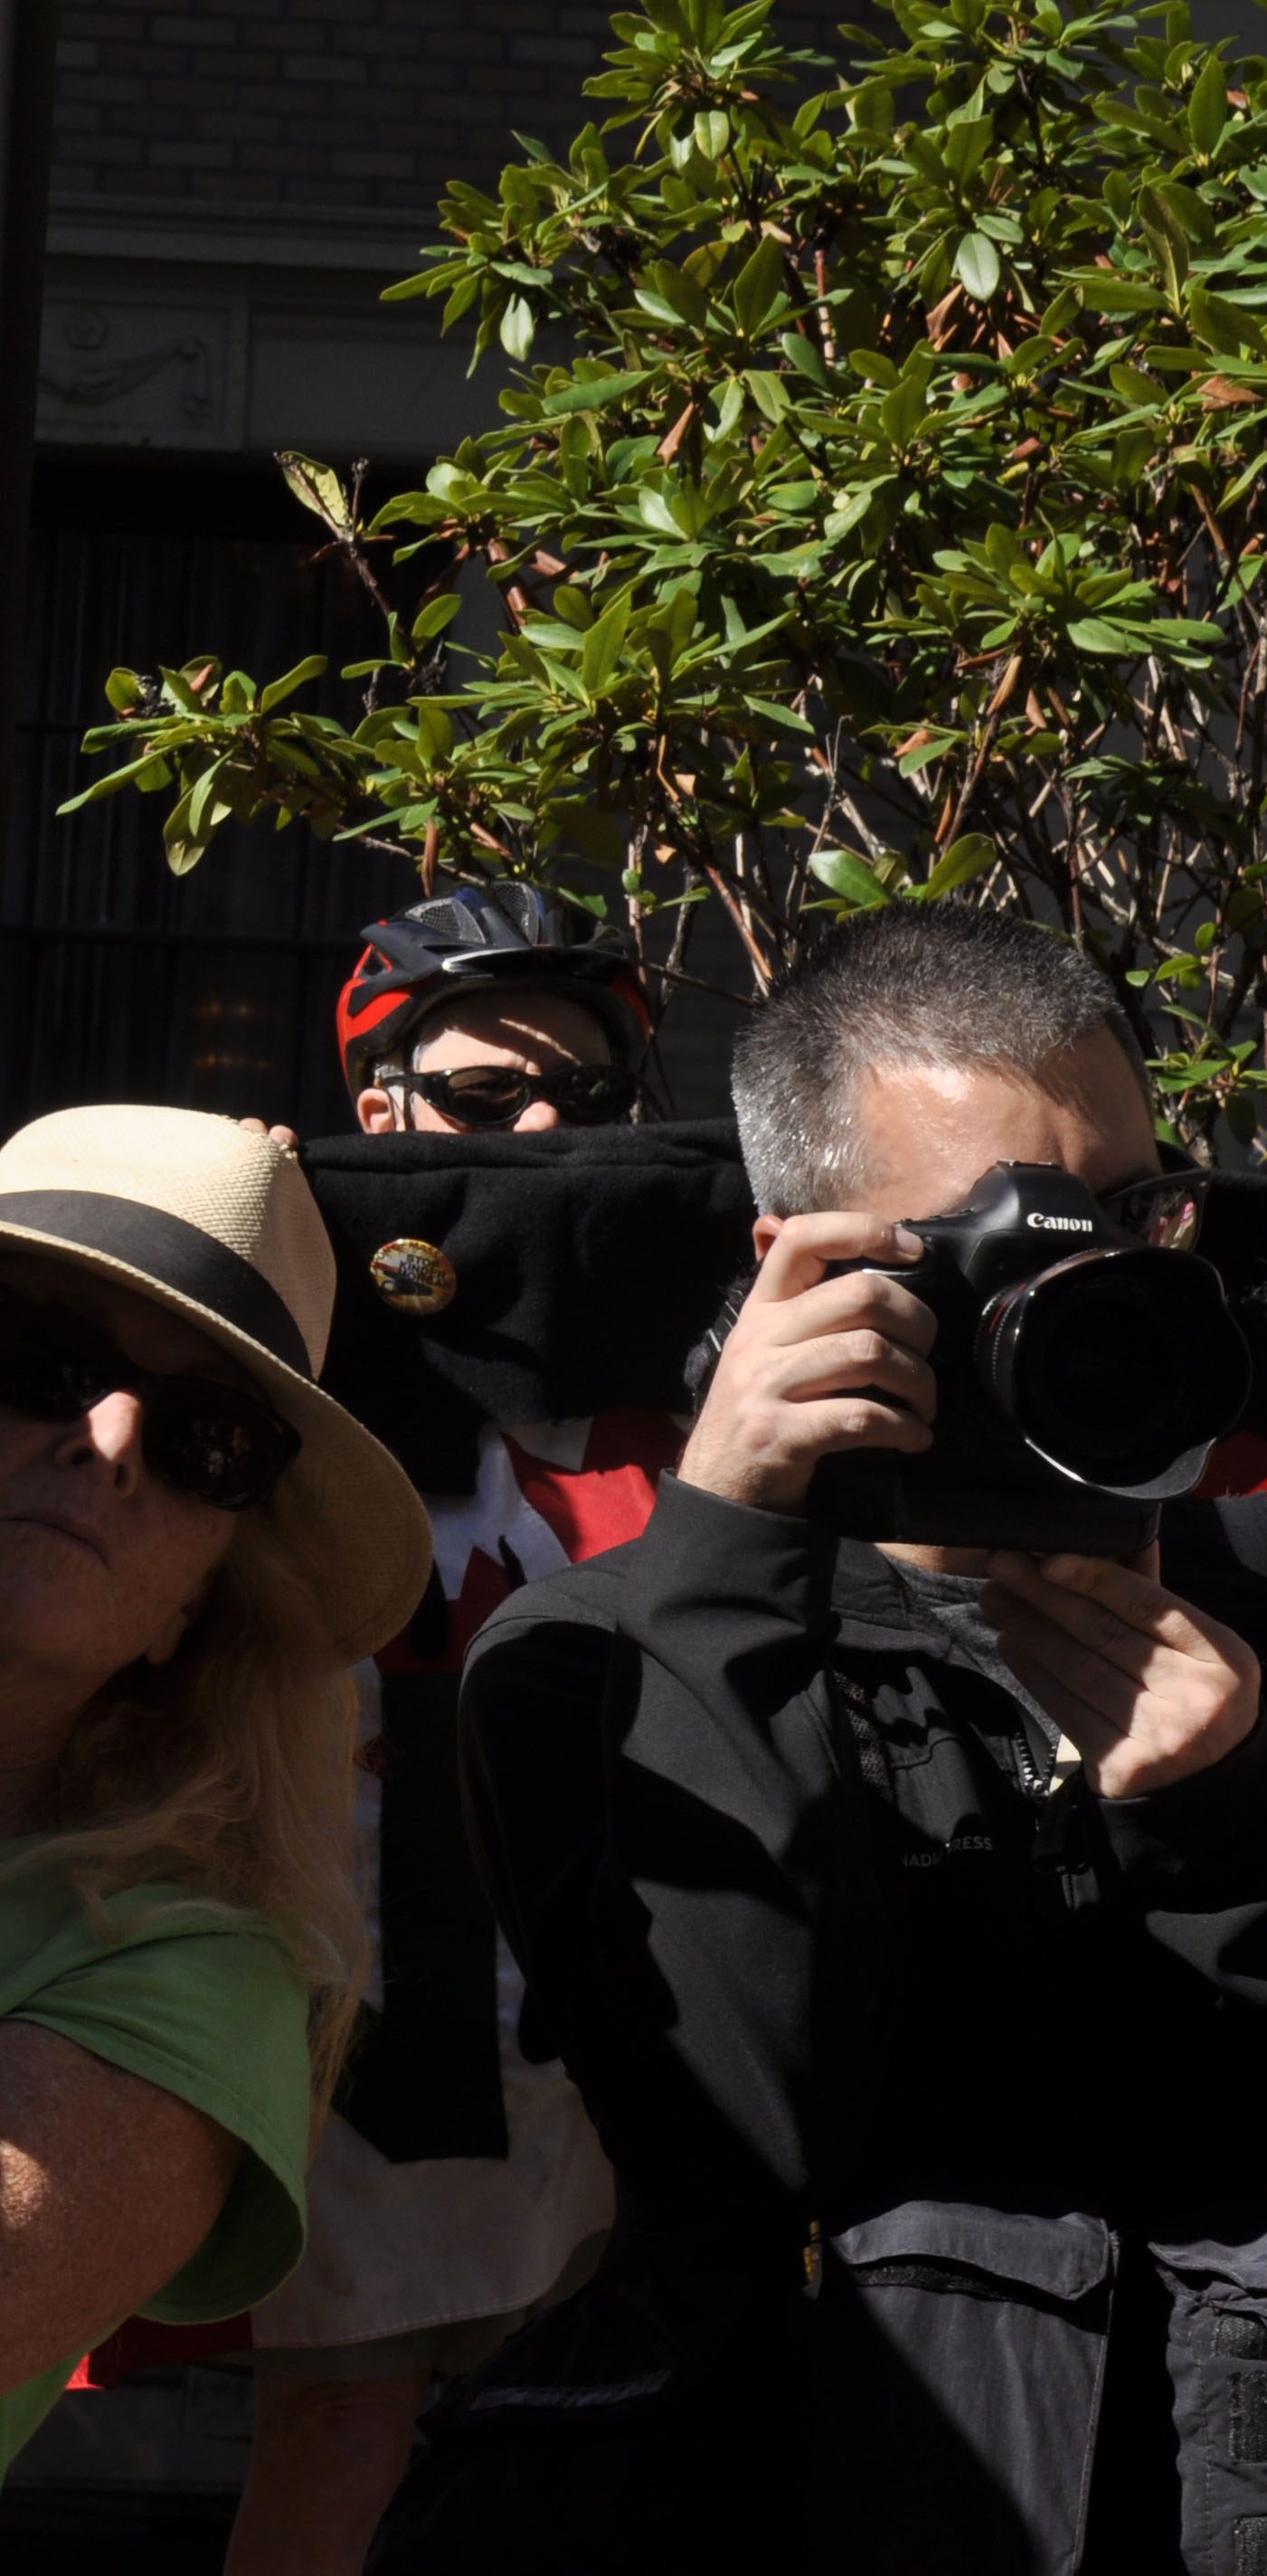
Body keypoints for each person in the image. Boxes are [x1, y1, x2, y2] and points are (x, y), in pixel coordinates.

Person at [369, 905, 1267, 2576]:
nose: (1093, 1286)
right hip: (811, 2491)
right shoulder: (594, 1650)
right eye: (1000, 1244)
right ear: (806, 1259)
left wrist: (1246, 1825)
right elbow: (731, 2127)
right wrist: (728, 1549)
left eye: (1136, 1216)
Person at [197, 888, 676, 2576]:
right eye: (485, 1099)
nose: (541, 1132)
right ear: (378, 1102)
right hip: (347, 1978)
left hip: (603, 2005)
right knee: (335, 2431)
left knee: (607, 2438)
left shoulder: (668, 1356)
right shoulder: (271, 1332)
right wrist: (248, 1247)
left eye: (581, 1099)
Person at [0, 1107, 434, 2472]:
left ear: (198, 1607)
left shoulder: (192, 1968)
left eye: (208, 1441)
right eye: (40, 1358)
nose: (112, 1438)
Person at [340, 882, 656, 1139]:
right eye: (484, 1091)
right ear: (384, 1122)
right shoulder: (307, 1215)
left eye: (585, 1089)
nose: (543, 1119)